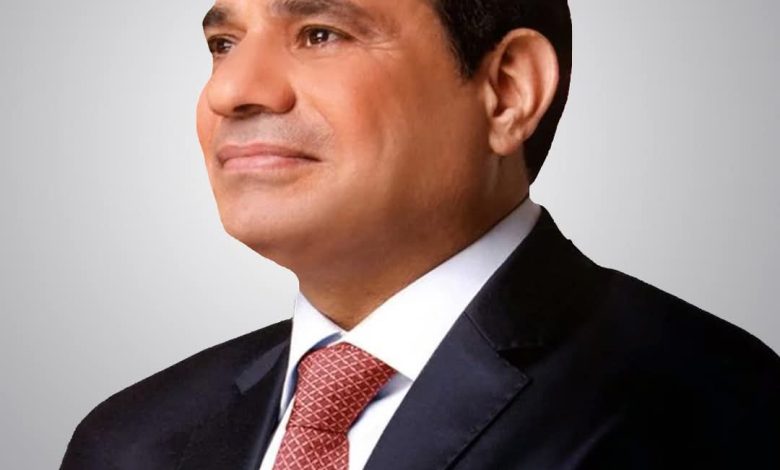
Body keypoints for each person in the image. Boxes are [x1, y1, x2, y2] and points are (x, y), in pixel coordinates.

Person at [61, 0, 780, 468]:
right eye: (223, 43)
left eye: (320, 34)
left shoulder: (703, 409)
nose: (229, 91)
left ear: (507, 91)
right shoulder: (130, 441)